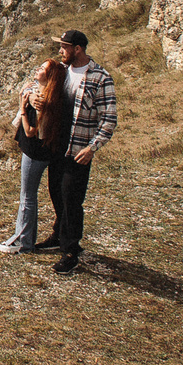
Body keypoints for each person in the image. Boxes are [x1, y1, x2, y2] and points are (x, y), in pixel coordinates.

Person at [43, 30, 116, 273]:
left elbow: (108, 119)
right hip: (57, 144)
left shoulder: (100, 78)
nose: (60, 51)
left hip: (78, 149)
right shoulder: (61, 72)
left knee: (72, 199)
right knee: (55, 191)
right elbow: (37, 84)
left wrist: (91, 148)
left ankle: (71, 250)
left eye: (64, 46)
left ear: (78, 48)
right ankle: (58, 235)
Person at [0, 58, 68, 254]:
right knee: (28, 196)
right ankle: (25, 238)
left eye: (42, 69)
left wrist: (22, 108)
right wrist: (26, 94)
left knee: (27, 197)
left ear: (51, 76)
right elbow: (28, 87)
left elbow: (30, 132)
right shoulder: (45, 93)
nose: (37, 70)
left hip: (35, 152)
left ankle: (23, 242)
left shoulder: (42, 102)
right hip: (45, 151)